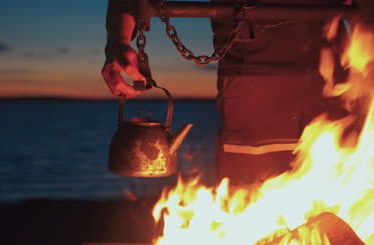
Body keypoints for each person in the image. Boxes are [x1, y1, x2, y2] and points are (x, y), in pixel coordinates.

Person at [102, 0, 373, 186]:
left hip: (337, 77)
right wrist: (118, 41)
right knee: (250, 197)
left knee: (338, 185)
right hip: (253, 77)